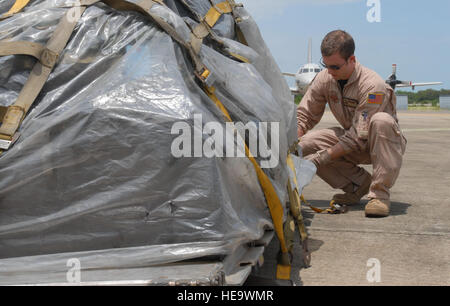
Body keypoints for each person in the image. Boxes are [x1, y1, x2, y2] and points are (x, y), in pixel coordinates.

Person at [297, 30, 407, 217]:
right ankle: (357, 185)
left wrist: (322, 158)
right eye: (326, 65)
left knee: (381, 121)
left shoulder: (372, 86)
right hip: (352, 138)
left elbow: (359, 135)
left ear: (352, 60)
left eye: (335, 67)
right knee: (304, 144)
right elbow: (304, 115)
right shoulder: (325, 78)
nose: (330, 72)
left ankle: (379, 195)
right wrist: (290, 145)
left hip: (380, 143)